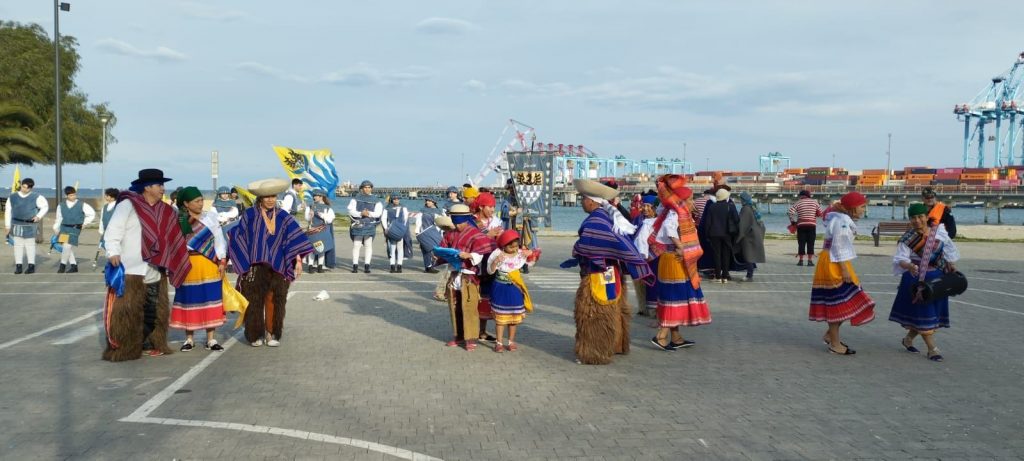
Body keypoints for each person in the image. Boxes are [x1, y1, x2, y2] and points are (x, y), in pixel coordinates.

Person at [103, 169, 191, 361]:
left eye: (162, 185)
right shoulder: (128, 205)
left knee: (154, 308)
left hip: (156, 268)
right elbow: (113, 231)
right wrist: (113, 252)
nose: (163, 189)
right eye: (159, 185)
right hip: (131, 267)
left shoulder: (166, 210)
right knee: (128, 310)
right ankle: (126, 347)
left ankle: (151, 342)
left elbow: (174, 235)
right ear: (147, 187)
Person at [569, 179, 654, 365]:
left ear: (592, 201)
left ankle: (595, 352)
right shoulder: (607, 216)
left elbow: (589, 245)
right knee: (613, 310)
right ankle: (616, 344)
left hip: (597, 274)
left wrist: (577, 248)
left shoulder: (596, 221)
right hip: (612, 272)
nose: (582, 202)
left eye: (583, 199)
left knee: (594, 314)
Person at [229, 178, 314, 347]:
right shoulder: (250, 215)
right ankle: (254, 334)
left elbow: (294, 238)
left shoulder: (283, 216)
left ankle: (271, 332)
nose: (270, 200)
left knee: (274, 299)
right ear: (260, 198)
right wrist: (241, 260)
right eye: (267, 197)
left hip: (278, 264)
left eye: (273, 196)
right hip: (254, 265)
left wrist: (297, 260)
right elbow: (238, 236)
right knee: (254, 300)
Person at [889, 202, 961, 362]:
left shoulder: (939, 232)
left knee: (929, 314)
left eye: (920, 216)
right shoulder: (907, 239)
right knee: (924, 313)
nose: (917, 220)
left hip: (937, 280)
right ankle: (932, 349)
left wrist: (951, 265)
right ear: (909, 219)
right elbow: (900, 259)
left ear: (927, 217)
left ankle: (908, 339)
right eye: (913, 217)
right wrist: (909, 266)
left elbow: (947, 252)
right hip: (916, 280)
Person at [809, 191, 875, 355]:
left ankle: (830, 335)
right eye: (862, 207)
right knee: (838, 303)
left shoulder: (839, 218)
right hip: (835, 262)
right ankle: (835, 343)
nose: (864, 210)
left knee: (847, 301)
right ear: (852, 208)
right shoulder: (842, 221)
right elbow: (838, 246)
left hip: (835, 260)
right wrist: (844, 269)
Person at [648, 174, 710, 351]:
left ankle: (676, 338)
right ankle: (661, 336)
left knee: (676, 297)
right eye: (690, 199)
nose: (692, 202)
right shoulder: (675, 213)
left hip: (672, 259)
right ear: (682, 200)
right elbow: (669, 229)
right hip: (674, 260)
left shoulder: (676, 212)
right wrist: (680, 246)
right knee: (675, 297)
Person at [170, 186, 228, 352]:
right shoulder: (179, 220)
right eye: (197, 201)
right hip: (187, 265)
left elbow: (219, 240)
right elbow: (174, 244)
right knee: (189, 299)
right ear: (186, 203)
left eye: (201, 200)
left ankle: (211, 339)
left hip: (209, 263)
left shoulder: (210, 218)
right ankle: (189, 339)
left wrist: (222, 260)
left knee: (211, 298)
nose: (201, 203)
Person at [439, 204, 496, 351]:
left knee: (469, 307)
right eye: (455, 222)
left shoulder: (475, 234)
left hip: (469, 276)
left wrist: (469, 255)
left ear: (466, 219)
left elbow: (481, 253)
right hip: (454, 275)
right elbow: (443, 248)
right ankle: (458, 336)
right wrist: (439, 254)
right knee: (455, 307)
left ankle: (470, 338)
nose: (457, 226)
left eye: (460, 222)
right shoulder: (450, 234)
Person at [487, 230, 534, 352]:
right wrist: (495, 262)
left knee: (513, 317)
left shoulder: (520, 253)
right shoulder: (497, 254)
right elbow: (490, 271)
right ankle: (499, 342)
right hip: (500, 288)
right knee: (500, 319)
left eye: (516, 246)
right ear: (503, 245)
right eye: (510, 247)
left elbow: (531, 261)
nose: (514, 249)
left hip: (515, 288)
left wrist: (531, 254)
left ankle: (511, 341)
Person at [5, 178, 48, 274]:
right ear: (21, 185)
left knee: (30, 245)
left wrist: (38, 216)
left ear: (31, 188)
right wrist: (7, 225)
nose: (25, 189)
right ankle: (18, 266)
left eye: (27, 188)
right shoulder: (12, 197)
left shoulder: (37, 197)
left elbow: (45, 207)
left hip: (30, 224)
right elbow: (8, 211)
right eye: (23, 187)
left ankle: (31, 266)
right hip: (16, 223)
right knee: (18, 245)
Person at [52, 186, 96, 274]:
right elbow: (59, 218)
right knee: (66, 247)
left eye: (74, 194)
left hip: (75, 228)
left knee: (67, 246)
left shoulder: (82, 204)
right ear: (66, 196)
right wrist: (56, 228)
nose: (73, 197)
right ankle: (74, 265)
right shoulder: (61, 205)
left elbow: (91, 214)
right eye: (71, 195)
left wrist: (85, 223)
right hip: (64, 228)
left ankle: (62, 266)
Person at [631, 192, 660, 317]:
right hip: (640, 256)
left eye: (649, 206)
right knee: (640, 283)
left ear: (655, 208)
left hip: (655, 256)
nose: (646, 209)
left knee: (655, 283)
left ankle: (656, 309)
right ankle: (643, 306)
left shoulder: (659, 221)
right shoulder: (637, 220)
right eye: (644, 206)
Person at [701, 188, 739, 282]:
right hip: (727, 234)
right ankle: (725, 276)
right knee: (726, 254)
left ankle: (718, 276)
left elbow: (708, 222)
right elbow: (736, 219)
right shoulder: (730, 206)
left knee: (716, 255)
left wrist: (707, 234)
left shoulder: (712, 207)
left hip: (714, 234)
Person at [347, 180, 383, 273]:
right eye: (365, 187)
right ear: (362, 188)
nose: (367, 189)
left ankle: (367, 266)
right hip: (358, 224)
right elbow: (350, 210)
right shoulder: (355, 198)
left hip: (370, 224)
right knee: (356, 244)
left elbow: (378, 213)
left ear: (371, 188)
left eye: (369, 187)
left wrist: (368, 213)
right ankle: (355, 265)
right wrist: (360, 213)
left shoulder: (376, 200)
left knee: (368, 245)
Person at [735, 192, 766, 282]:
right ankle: (750, 274)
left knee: (748, 256)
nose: (740, 201)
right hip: (755, 234)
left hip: (748, 236)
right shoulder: (753, 207)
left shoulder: (745, 209)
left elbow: (742, 224)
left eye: (741, 199)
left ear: (743, 200)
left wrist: (739, 236)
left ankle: (749, 275)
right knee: (751, 256)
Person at [304, 189, 335, 273]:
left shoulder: (328, 208)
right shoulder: (310, 206)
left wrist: (322, 215)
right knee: (312, 249)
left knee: (322, 249)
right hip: (312, 231)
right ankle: (310, 266)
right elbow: (306, 218)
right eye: (313, 196)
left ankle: (320, 266)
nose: (314, 197)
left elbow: (330, 220)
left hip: (323, 230)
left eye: (316, 196)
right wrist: (310, 215)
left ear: (321, 197)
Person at [789, 190, 823, 266]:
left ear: (801, 195)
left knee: (801, 243)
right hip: (812, 225)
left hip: (801, 225)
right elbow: (821, 213)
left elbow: (790, 212)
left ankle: (801, 261)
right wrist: (814, 214)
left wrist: (793, 221)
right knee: (811, 243)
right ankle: (809, 261)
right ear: (808, 195)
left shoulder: (798, 202)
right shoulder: (814, 202)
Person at [381, 195, 411, 273]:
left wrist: (403, 228)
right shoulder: (387, 208)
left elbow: (406, 218)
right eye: (394, 199)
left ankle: (399, 265)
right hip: (391, 230)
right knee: (392, 248)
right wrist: (386, 228)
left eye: (397, 199)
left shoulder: (403, 207)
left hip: (400, 230)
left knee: (400, 248)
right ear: (392, 200)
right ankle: (392, 265)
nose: (396, 200)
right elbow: (383, 218)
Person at [416, 197, 443, 273]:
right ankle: (428, 267)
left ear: (434, 202)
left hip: (434, 232)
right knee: (425, 250)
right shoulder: (422, 210)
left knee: (434, 250)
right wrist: (417, 231)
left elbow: (439, 223)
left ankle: (432, 265)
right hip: (423, 232)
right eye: (426, 201)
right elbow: (418, 221)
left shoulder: (438, 211)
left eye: (429, 201)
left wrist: (439, 233)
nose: (427, 202)